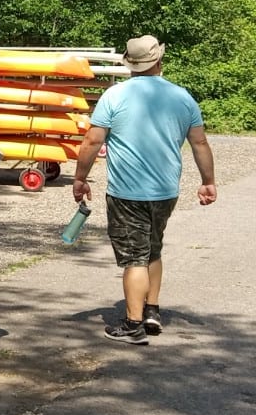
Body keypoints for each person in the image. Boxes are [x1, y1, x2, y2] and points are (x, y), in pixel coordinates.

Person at [71, 34, 217, 345]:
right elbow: (199, 142)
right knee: (153, 248)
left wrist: (80, 177)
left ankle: (133, 325)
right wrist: (208, 181)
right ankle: (151, 310)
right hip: (165, 190)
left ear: (130, 64)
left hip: (127, 192)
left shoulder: (115, 96)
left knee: (134, 257)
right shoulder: (182, 97)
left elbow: (92, 141)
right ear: (159, 61)